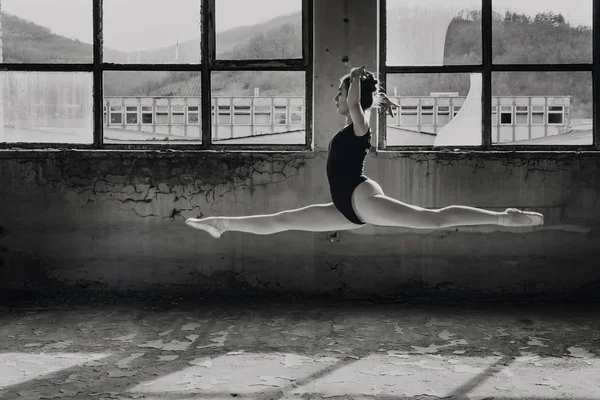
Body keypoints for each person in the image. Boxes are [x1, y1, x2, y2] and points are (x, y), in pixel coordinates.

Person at [185, 66, 543, 238]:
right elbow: (355, 101)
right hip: (345, 206)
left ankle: (502, 217)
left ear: (354, 96)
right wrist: (354, 82)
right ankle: (221, 224)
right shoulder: (351, 128)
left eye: (339, 94)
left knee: (430, 219)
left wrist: (354, 76)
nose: (336, 99)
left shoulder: (361, 128)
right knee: (283, 220)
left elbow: (357, 101)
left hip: (360, 196)